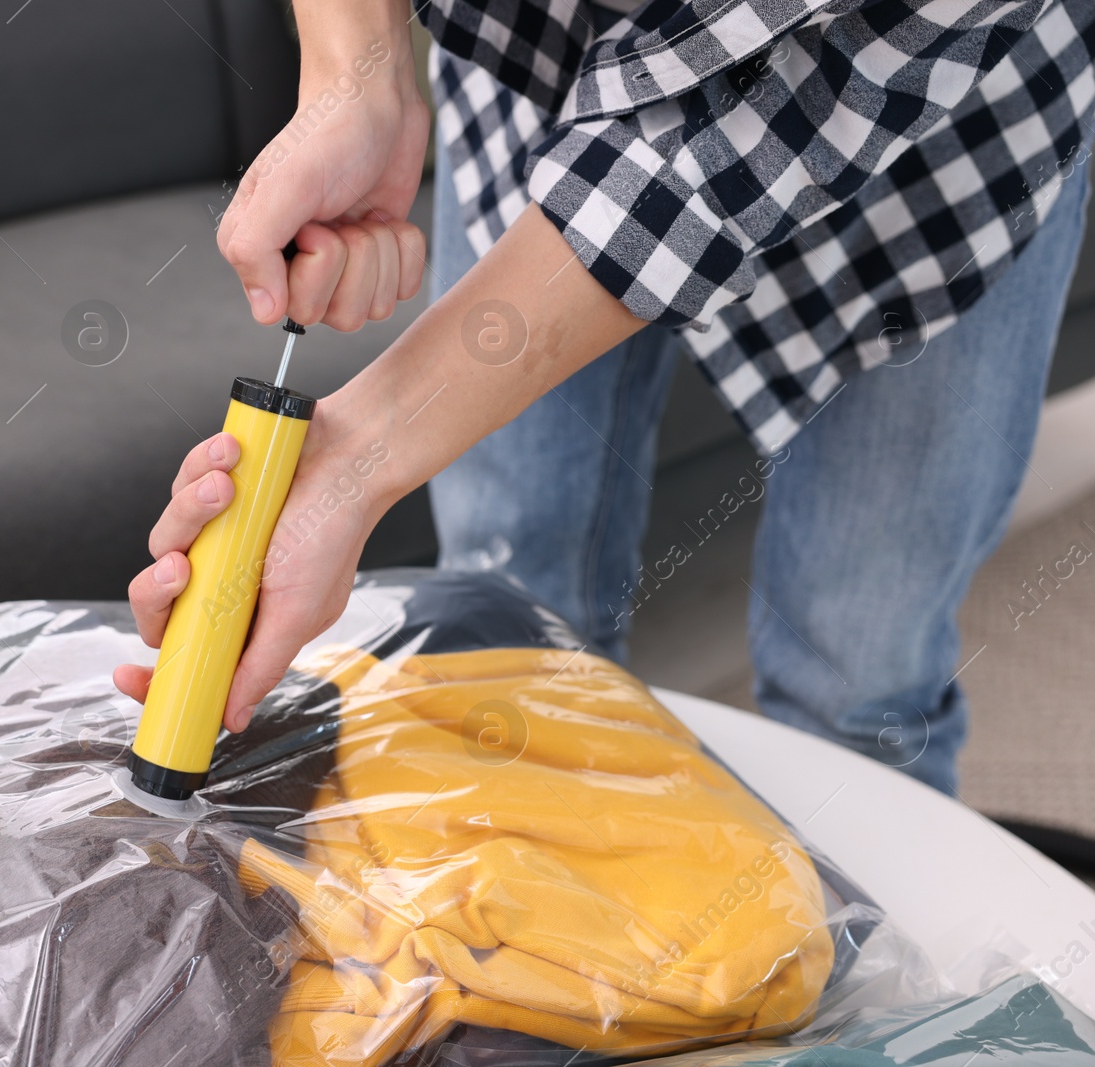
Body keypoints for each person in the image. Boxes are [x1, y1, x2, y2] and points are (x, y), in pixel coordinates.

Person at [114, 0, 1095, 795]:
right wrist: (356, 68)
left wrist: (360, 455)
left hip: (940, 133)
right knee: (504, 629)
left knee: (860, 675)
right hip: (540, 68)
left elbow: (726, 151)